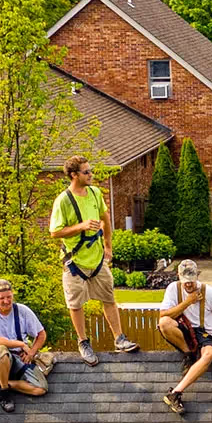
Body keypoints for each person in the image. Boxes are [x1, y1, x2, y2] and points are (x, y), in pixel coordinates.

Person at [49, 157, 138, 366]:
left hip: (97, 260)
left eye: (91, 171)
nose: (91, 175)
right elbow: (55, 232)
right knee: (76, 304)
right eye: (87, 172)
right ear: (74, 175)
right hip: (75, 262)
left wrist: (108, 246)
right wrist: (81, 226)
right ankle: (83, 342)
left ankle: (119, 338)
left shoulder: (95, 193)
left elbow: (106, 219)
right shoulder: (64, 200)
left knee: (108, 298)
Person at [155, 270, 212, 416]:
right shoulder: (173, 288)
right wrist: (187, 302)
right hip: (185, 329)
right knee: (164, 323)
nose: (188, 284)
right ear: (179, 277)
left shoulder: (210, 293)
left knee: (210, 353)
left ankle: (175, 393)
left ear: (197, 277)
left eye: (191, 280)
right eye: (185, 280)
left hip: (205, 333)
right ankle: (189, 354)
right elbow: (163, 315)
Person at [0, 279, 51, 412]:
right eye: (1, 298)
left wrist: (31, 352)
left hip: (19, 358)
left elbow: (41, 334)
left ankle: (0, 383)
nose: (6, 301)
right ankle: (4, 394)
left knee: (41, 389)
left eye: (9, 297)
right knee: (1, 351)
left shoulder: (22, 311)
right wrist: (21, 344)